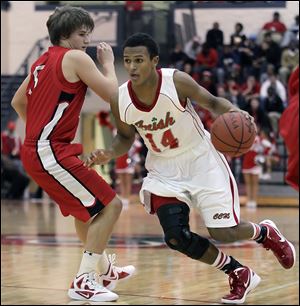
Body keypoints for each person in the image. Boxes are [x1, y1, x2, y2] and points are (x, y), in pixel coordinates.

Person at [85, 33, 296, 304]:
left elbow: (213, 103)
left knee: (224, 233)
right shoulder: (120, 99)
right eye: (127, 61)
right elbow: (125, 138)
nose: (133, 67)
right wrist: (108, 153)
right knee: (176, 237)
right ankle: (238, 272)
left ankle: (265, 232)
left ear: (154, 61)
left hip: (201, 161)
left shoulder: (176, 82)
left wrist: (236, 112)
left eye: (139, 60)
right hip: (163, 170)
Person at [10, 6, 135, 302]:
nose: (87, 41)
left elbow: (18, 101)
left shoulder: (41, 62)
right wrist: (108, 64)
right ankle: (84, 281)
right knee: (111, 206)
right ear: (64, 35)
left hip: (41, 149)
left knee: (88, 210)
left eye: (88, 34)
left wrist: (40, 132)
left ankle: (103, 270)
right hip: (50, 150)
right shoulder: (75, 57)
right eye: (82, 34)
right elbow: (112, 95)